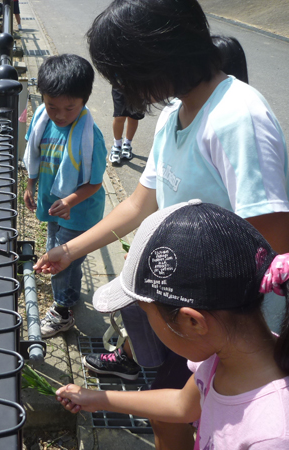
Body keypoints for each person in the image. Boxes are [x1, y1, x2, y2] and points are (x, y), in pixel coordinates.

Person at [33, 1, 289, 448]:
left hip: (225, 322)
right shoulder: (176, 113)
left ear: (158, 59)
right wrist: (70, 251)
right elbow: (139, 202)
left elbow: (272, 241)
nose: (123, 88)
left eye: (124, 75)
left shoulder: (237, 119)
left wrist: (173, 286)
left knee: (189, 412)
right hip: (187, 309)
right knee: (170, 411)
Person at [55, 200, 289, 450]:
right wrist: (98, 398)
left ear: (192, 321)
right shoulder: (225, 356)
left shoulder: (273, 436)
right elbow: (182, 405)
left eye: (146, 312)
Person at [22, 54, 107, 338]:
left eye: (69, 108)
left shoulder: (90, 136)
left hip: (79, 211)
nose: (60, 115)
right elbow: (33, 155)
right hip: (53, 205)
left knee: (62, 259)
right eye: (52, 106)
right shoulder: (42, 120)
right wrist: (30, 185)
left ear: (84, 100)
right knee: (58, 250)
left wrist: (70, 201)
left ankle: (62, 311)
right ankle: (68, 295)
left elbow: (95, 183)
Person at [109, 88, 144, 164]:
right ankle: (117, 146)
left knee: (133, 117)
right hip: (120, 85)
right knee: (119, 116)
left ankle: (127, 144)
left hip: (140, 87)